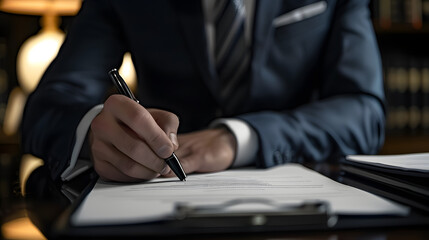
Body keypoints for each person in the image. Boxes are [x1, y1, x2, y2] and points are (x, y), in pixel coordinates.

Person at [21, 0, 385, 182]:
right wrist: (94, 133)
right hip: (159, 193)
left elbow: (363, 112)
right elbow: (47, 107)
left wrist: (237, 138)